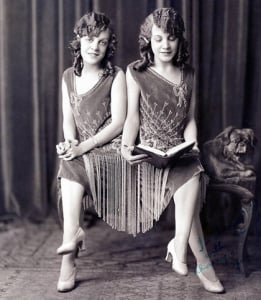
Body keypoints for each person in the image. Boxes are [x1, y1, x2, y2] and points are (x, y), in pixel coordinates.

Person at [121, 8, 225, 294]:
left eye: (171, 37)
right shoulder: (136, 72)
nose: (165, 44)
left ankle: (180, 249)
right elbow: (132, 118)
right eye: (158, 38)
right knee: (187, 190)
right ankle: (200, 262)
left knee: (192, 170)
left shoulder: (188, 74)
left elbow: (190, 120)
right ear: (148, 41)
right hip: (149, 154)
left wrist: (191, 145)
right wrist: (125, 147)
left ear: (180, 40)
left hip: (179, 151)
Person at [56, 12, 126, 292]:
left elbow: (119, 122)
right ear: (79, 41)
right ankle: (70, 244)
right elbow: (68, 120)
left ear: (109, 46)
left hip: (111, 148)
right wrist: (70, 143)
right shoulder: (68, 77)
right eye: (89, 39)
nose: (94, 46)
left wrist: (83, 146)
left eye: (102, 41)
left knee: (74, 162)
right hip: (84, 151)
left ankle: (70, 251)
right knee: (69, 161)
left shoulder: (116, 76)